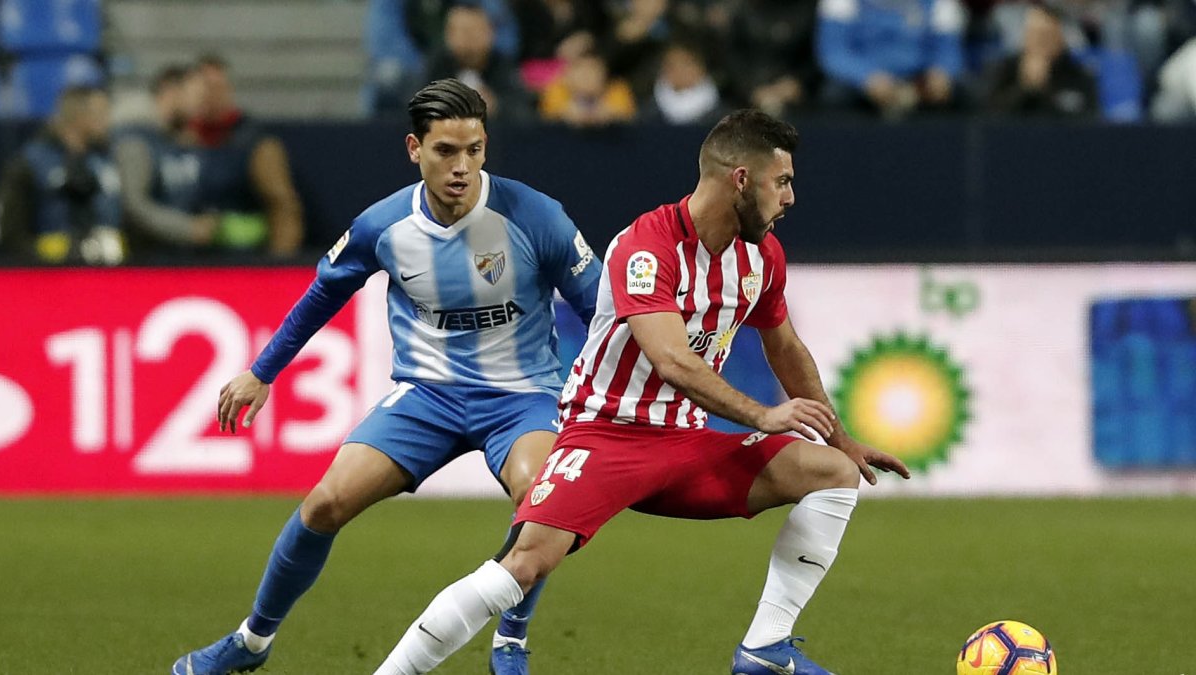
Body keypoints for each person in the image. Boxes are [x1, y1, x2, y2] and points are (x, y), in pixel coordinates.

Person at [370, 109, 911, 675]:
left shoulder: (762, 255)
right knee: (525, 563)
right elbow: (672, 359)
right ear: (742, 180)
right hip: (607, 434)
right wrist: (763, 415)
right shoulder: (646, 246)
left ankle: (764, 649)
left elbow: (785, 347)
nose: (791, 197)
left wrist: (841, 438)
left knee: (831, 472)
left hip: (688, 445)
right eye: (783, 181)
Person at [170, 79, 603, 675]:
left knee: (540, 501)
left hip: (521, 397)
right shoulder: (383, 226)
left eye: (474, 150)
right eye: (446, 150)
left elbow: (605, 311)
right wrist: (260, 371)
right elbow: (323, 295)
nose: (462, 166)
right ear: (413, 149)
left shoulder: (535, 216)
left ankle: (509, 641)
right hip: (426, 397)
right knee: (325, 503)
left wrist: (609, 394)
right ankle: (251, 642)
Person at [189, 54, 304, 257]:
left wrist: (277, 265)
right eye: (204, 87)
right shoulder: (179, 139)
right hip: (183, 262)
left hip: (243, 262)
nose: (210, 95)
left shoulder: (256, 144)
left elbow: (283, 208)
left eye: (217, 88)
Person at [0, 85, 123, 265]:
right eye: (101, 113)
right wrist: (40, 264)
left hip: (114, 270)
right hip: (49, 274)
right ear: (79, 116)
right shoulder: (30, 162)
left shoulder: (108, 160)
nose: (107, 120)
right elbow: (11, 230)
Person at [113, 64, 219, 254]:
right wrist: (188, 228)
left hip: (182, 259)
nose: (200, 106)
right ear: (171, 89)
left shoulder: (179, 139)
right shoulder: (135, 138)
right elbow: (134, 205)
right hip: (148, 264)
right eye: (196, 95)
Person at [816, 0, 966, 117]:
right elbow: (833, 52)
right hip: (863, 84)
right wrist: (867, 77)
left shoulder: (940, 2)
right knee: (834, 95)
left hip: (919, 82)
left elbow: (949, 50)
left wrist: (941, 72)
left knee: (965, 92)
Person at [984, 3, 1098, 117]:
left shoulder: (1080, 76)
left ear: (1060, 38)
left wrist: (1045, 90)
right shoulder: (1003, 70)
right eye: (1033, 34)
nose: (1039, 42)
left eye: (1045, 35)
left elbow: (1088, 124)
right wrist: (1026, 88)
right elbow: (987, 118)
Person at [424, 4, 533, 122]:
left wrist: (496, 107)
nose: (469, 39)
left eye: (475, 31)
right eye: (463, 32)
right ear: (448, 35)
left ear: (491, 33)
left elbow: (523, 111)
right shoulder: (436, 65)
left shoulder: (503, 66)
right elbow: (412, 107)